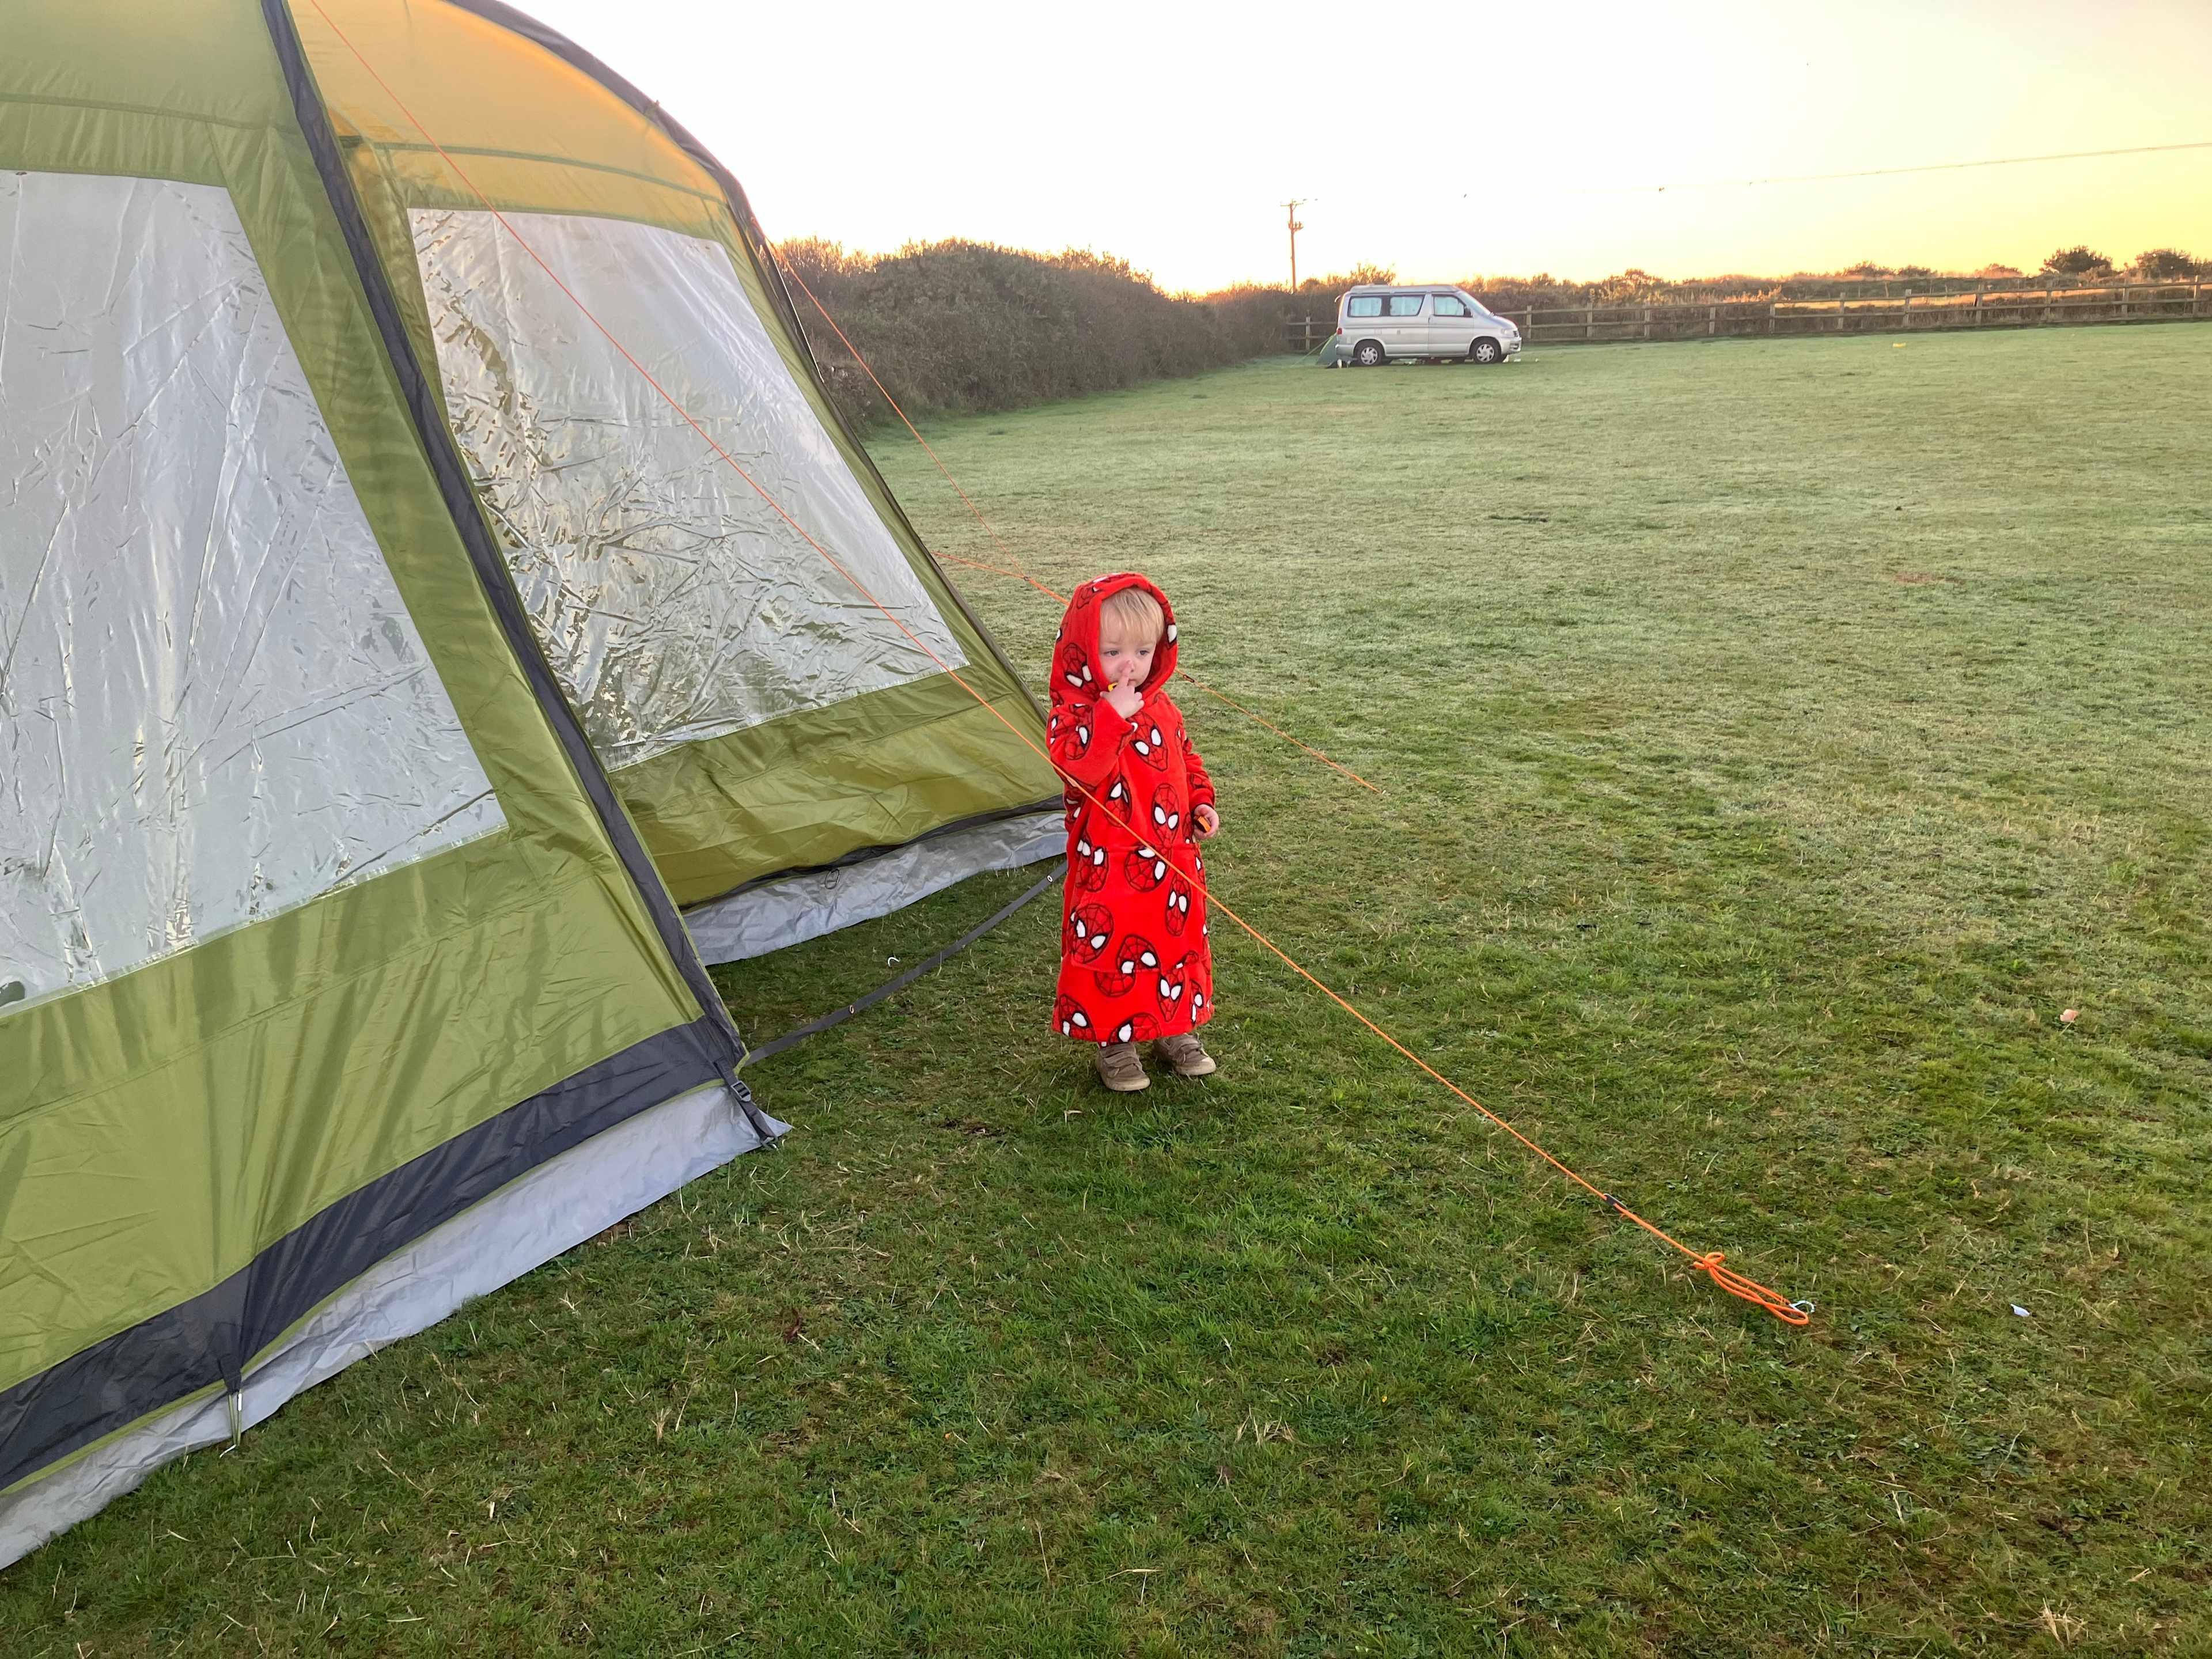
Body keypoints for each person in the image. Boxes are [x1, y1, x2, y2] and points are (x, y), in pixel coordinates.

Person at [1046, 573, 1221, 1092]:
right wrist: (1109, 718)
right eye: (1114, 651)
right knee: (1112, 951)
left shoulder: (1162, 705)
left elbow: (1186, 759)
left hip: (1172, 860)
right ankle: (1115, 1043)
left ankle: (1175, 1030)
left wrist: (1202, 801)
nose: (1131, 665)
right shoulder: (1073, 715)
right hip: (1110, 865)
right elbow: (1081, 771)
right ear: (1083, 650)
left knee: (1174, 945)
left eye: (1143, 651)